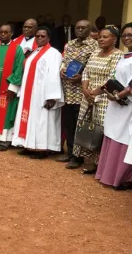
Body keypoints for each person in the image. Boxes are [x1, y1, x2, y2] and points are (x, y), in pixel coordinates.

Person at [72, 25, 123, 174]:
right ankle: (85, 158)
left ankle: (100, 162)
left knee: (100, 129)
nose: (101, 39)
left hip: (104, 98)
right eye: (100, 36)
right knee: (85, 126)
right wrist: (85, 90)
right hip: (87, 96)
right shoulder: (94, 53)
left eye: (105, 37)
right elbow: (86, 72)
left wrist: (95, 92)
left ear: (114, 39)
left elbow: (112, 77)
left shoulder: (117, 55)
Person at [12, 27, 64, 159]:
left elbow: (54, 76)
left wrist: (52, 97)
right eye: (37, 36)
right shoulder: (34, 52)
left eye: (43, 36)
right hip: (30, 94)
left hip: (43, 94)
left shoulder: (54, 54)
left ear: (49, 38)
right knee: (30, 119)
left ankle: (42, 148)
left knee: (42, 121)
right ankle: (28, 145)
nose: (39, 38)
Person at [94, 22, 132, 190]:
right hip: (116, 104)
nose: (127, 38)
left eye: (130, 35)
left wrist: (117, 95)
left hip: (127, 106)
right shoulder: (126, 56)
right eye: (124, 35)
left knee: (124, 137)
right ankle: (107, 173)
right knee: (113, 134)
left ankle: (122, 177)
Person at [57, 20, 98, 167]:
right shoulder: (71, 44)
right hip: (68, 90)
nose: (80, 30)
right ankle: (69, 153)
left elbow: (93, 67)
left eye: (83, 28)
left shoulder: (95, 46)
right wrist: (62, 69)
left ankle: (78, 156)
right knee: (68, 124)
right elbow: (64, 60)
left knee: (80, 124)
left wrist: (82, 77)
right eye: (77, 27)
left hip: (82, 92)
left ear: (89, 30)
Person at [0, 24, 24, 151]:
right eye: (1, 32)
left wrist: (13, 87)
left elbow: (19, 69)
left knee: (4, 112)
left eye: (6, 32)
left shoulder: (17, 49)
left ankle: (4, 140)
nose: (3, 34)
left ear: (12, 33)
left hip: (6, 88)